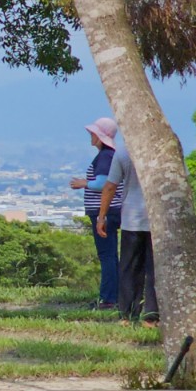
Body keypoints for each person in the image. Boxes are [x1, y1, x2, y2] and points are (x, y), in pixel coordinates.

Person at [97, 138, 158, 325]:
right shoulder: (161, 150)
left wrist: (101, 217)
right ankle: (151, 315)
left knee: (129, 268)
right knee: (154, 269)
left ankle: (127, 313)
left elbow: (110, 186)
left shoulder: (123, 152)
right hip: (157, 218)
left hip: (131, 218)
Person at [70, 117, 122, 309]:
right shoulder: (111, 155)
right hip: (114, 210)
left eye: (93, 133)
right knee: (111, 255)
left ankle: (108, 298)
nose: (91, 136)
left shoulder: (105, 157)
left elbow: (103, 183)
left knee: (106, 255)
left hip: (105, 211)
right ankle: (115, 295)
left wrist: (84, 183)